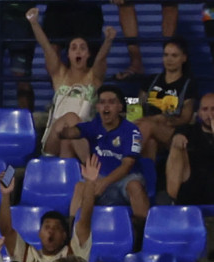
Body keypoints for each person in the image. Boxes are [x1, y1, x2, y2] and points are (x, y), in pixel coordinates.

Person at [0, 157, 96, 262]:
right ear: (39, 233)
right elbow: (6, 230)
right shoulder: (25, 253)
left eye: (56, 228)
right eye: (47, 227)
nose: (51, 232)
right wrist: (5, 195)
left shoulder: (73, 254)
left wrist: (90, 184)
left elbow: (85, 221)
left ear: (64, 236)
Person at [27, 7, 115, 158]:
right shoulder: (60, 75)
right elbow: (46, 47)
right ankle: (92, 169)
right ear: (68, 54)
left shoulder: (93, 78)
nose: (78, 51)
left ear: (88, 54)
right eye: (74, 48)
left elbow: (101, 59)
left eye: (82, 48)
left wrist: (108, 41)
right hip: (53, 139)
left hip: (82, 139)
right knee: (70, 118)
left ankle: (69, 178)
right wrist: (34, 23)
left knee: (67, 142)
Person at [59, 85, 150, 224]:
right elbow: (72, 132)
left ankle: (144, 233)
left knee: (135, 186)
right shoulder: (94, 125)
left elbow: (127, 165)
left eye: (111, 102)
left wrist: (104, 183)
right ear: (97, 107)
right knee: (80, 187)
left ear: (120, 107)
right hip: (98, 179)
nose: (106, 106)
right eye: (102, 102)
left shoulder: (131, 131)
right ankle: (72, 231)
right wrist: (61, 130)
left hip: (123, 181)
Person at [135, 38, 194, 161]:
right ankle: (148, 179)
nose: (169, 59)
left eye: (174, 55)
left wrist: (161, 119)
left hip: (171, 131)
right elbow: (137, 105)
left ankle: (123, 162)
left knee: (147, 125)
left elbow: (185, 118)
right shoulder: (151, 80)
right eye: (166, 55)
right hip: (146, 128)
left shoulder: (188, 84)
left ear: (184, 58)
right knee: (150, 142)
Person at [165, 92, 214, 205]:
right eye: (205, 109)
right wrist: (178, 140)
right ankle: (172, 200)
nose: (209, 114)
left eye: (213, 109)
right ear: (199, 113)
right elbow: (177, 138)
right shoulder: (188, 130)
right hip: (191, 185)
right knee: (176, 147)